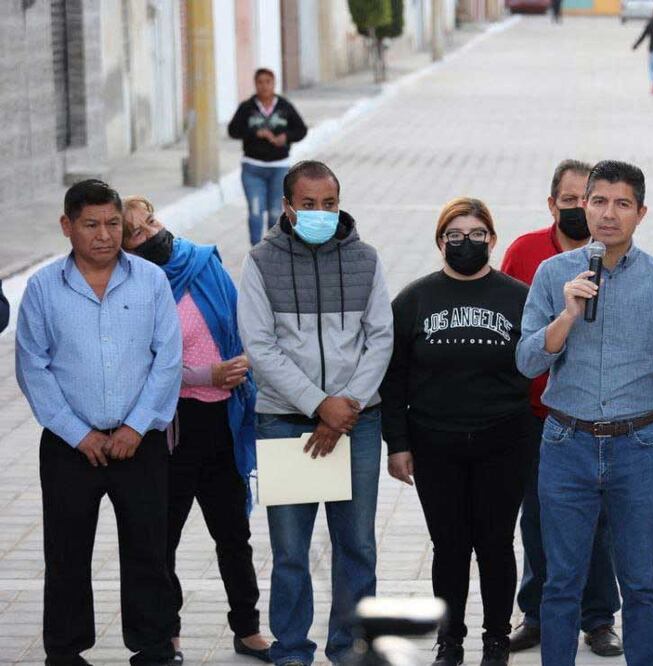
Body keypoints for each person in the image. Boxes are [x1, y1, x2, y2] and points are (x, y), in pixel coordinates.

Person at [516, 160, 653, 666]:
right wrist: (567, 314)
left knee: (640, 582)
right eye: (599, 201)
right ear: (584, 206)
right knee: (562, 582)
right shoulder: (552, 274)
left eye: (622, 204)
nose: (609, 214)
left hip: (638, 446)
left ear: (641, 212)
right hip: (568, 444)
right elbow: (527, 361)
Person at [15, 179, 182, 666]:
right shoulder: (44, 288)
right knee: (66, 555)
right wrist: (77, 432)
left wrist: (136, 426)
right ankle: (65, 653)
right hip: (70, 447)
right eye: (91, 224)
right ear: (67, 226)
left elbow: (167, 360)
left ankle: (153, 648)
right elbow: (33, 367)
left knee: (148, 552)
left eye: (113, 223)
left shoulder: (151, 281)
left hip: (141, 444)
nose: (104, 235)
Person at [237, 160, 394, 666]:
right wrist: (318, 404)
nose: (320, 213)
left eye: (329, 204)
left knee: (358, 547)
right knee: (289, 552)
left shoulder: (367, 259)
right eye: (308, 205)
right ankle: (291, 649)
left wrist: (345, 406)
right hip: (285, 421)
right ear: (287, 206)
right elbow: (260, 347)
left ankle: (349, 647)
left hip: (357, 421)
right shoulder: (260, 262)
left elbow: (380, 338)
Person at [381, 198, 532, 666]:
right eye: (455, 235)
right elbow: (393, 379)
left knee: (496, 543)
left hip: (503, 441)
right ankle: (451, 639)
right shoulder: (413, 300)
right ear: (440, 241)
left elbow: (537, 366)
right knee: (448, 547)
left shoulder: (518, 297)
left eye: (477, 234)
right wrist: (398, 445)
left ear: (493, 239)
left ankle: (496, 638)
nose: (466, 243)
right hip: (434, 443)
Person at [120, 196, 270, 663]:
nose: (152, 233)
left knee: (233, 534)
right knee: (164, 539)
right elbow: (144, 363)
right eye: (138, 233)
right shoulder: (136, 287)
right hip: (172, 428)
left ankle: (247, 629)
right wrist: (207, 375)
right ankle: (169, 634)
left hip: (222, 422)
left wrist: (244, 362)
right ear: (125, 247)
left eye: (152, 221)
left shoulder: (203, 263)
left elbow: (239, 322)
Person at [500, 160, 624, 657]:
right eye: (568, 200)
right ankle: (536, 613)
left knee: (599, 525)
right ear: (552, 204)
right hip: (536, 415)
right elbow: (510, 332)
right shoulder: (526, 253)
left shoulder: (615, 257)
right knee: (538, 521)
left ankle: (597, 619)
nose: (577, 208)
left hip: (596, 417)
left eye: (586, 199)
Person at [228, 68, 308, 246]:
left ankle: (272, 250)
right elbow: (233, 130)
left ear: (274, 84)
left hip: (279, 169)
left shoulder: (284, 106)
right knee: (256, 212)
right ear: (255, 84)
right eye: (260, 82)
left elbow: (301, 130)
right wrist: (255, 132)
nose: (264, 86)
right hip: (252, 168)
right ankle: (255, 251)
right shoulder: (247, 107)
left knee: (274, 213)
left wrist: (285, 137)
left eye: (268, 82)